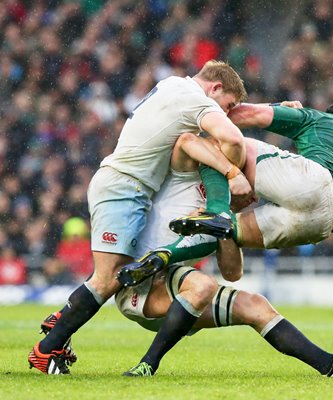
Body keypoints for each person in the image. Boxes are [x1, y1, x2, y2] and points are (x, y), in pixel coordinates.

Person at [29, 60, 253, 375]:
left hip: (127, 186)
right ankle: (47, 348)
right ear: (215, 88)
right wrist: (232, 173)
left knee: (111, 276)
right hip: (125, 187)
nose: (225, 113)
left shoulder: (173, 86)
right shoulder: (194, 99)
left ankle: (62, 322)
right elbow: (233, 139)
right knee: (108, 279)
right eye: (227, 106)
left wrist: (271, 110)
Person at [113, 140, 333, 377]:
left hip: (179, 288)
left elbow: (232, 273)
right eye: (250, 191)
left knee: (256, 306)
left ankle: (331, 365)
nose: (254, 198)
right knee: (202, 284)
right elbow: (190, 141)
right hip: (143, 286)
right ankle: (147, 364)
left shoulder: (224, 219)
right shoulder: (194, 186)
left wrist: (225, 231)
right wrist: (229, 170)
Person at [117, 102, 333, 287]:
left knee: (222, 142)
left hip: (313, 180)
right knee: (228, 234)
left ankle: (217, 210)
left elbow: (249, 115)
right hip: (325, 223)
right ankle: (165, 255)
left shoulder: (322, 119)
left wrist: (202, 121)